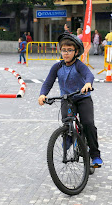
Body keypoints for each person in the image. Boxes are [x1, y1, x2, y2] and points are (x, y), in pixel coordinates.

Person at [38, 33, 102, 167]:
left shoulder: (79, 65)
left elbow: (88, 75)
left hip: (83, 98)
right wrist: (42, 94)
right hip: (67, 100)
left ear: (76, 51)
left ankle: (95, 155)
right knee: (67, 121)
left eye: (69, 50)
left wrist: (88, 84)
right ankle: (68, 137)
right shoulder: (57, 67)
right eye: (63, 50)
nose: (66, 53)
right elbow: (48, 82)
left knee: (88, 123)